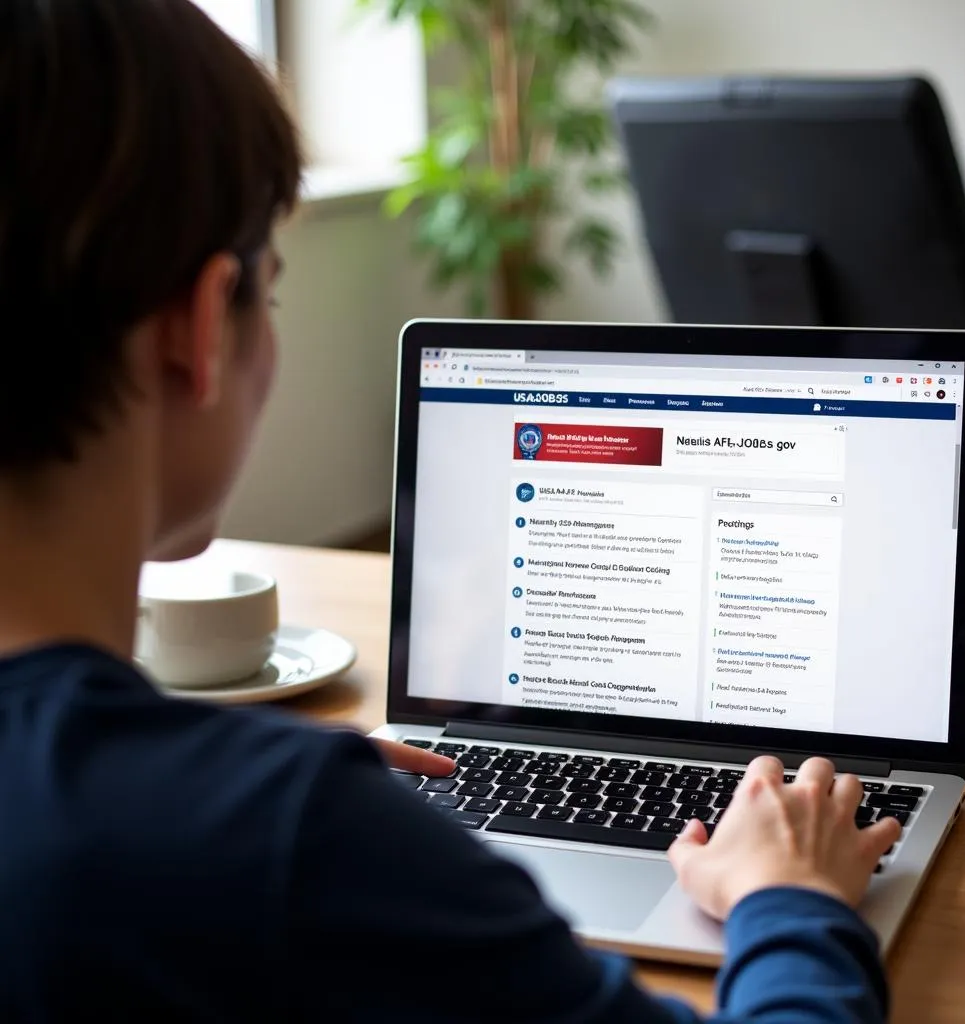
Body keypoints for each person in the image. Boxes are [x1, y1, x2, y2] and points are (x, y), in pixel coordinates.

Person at [0, 2, 901, 1021]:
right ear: (201, 327)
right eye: (274, 294)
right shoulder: (293, 835)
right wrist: (787, 897)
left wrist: (174, 752)